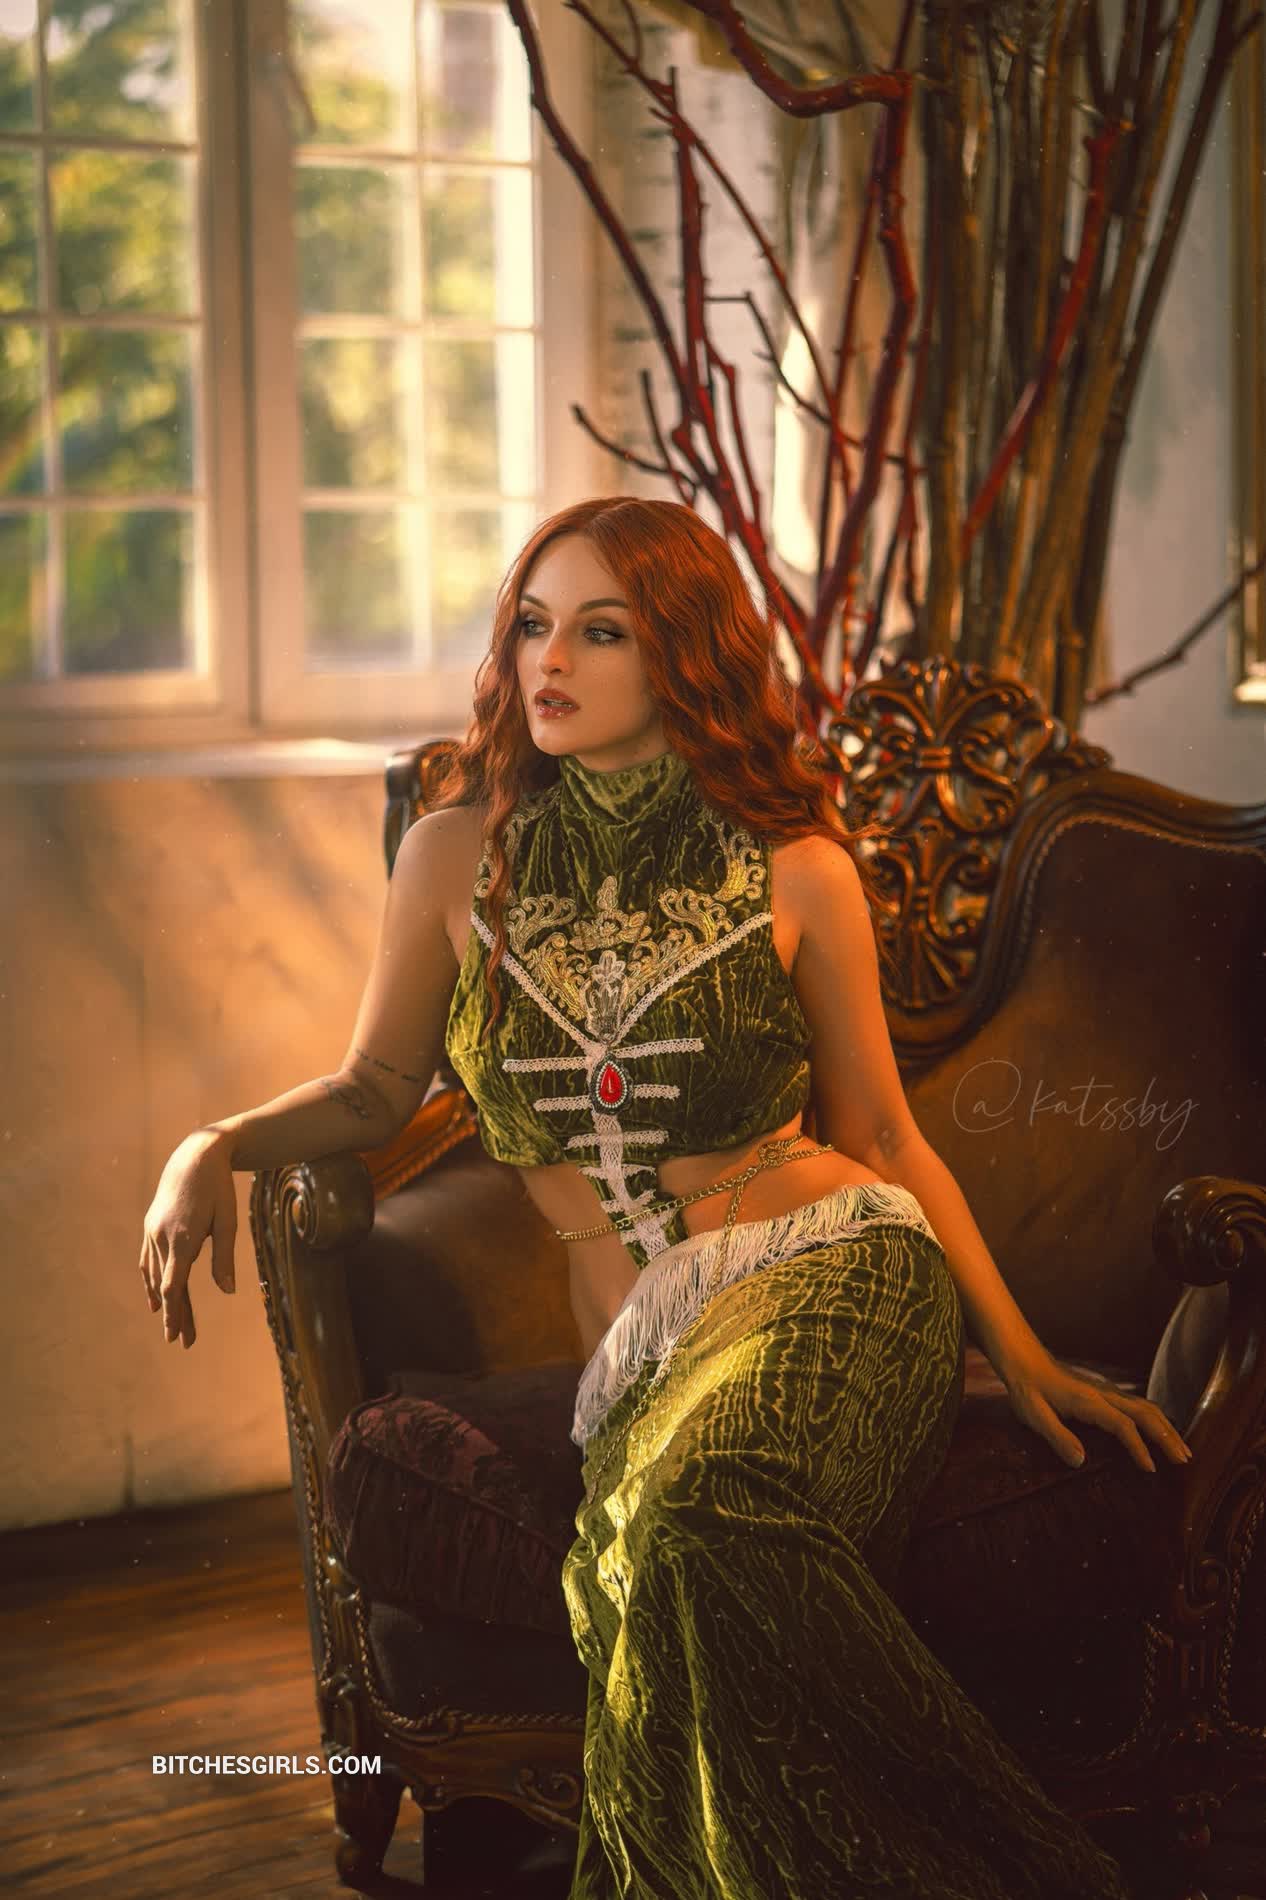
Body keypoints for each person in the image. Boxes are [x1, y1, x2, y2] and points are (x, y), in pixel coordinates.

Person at [141, 495, 1189, 1898]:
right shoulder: (455, 856)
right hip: (643, 1352)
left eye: (602, 631)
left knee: (694, 1515)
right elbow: (376, 1089)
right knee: (662, 1547)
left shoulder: (799, 867)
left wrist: (1020, 1353)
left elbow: (884, 1140)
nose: (548, 660)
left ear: (683, 653)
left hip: (833, 1270)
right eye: (532, 625)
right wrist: (211, 1144)